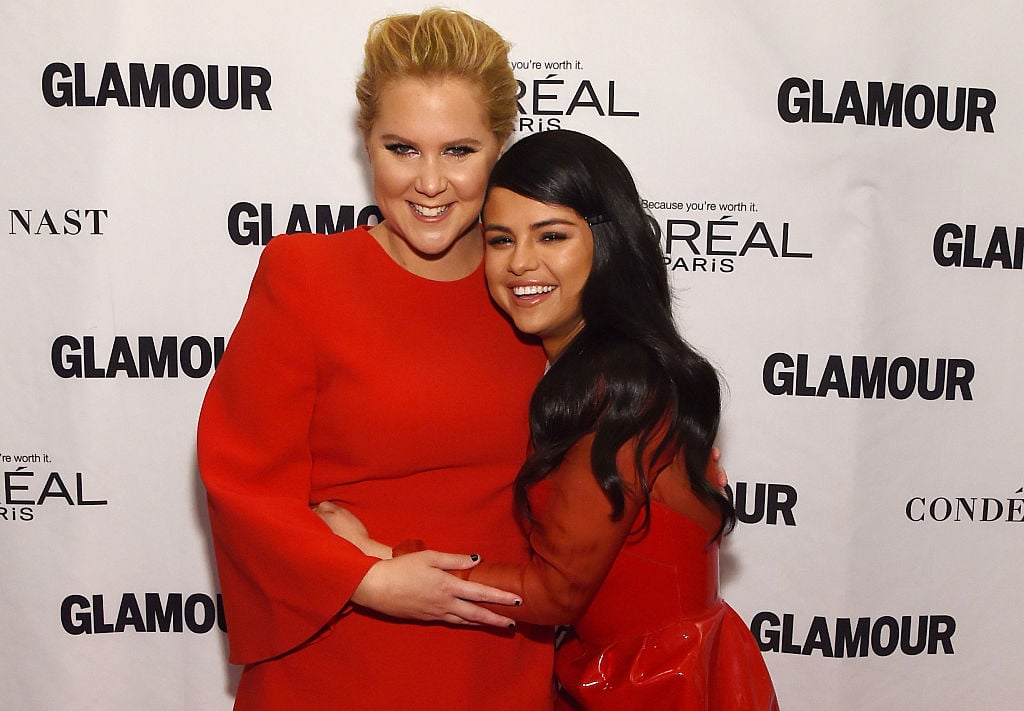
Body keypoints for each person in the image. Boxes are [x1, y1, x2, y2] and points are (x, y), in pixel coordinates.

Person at [319, 129, 780, 709]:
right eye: (501, 239)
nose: (520, 263)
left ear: (607, 242)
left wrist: (378, 560)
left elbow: (552, 592)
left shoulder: (621, 384)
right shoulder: (588, 366)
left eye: (552, 236)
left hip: (658, 685)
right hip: (626, 671)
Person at [197, 9, 555, 710]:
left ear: (500, 148)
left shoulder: (536, 287)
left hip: (494, 659)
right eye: (402, 148)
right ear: (366, 144)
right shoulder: (303, 274)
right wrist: (365, 577)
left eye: (458, 150)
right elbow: (241, 477)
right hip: (337, 654)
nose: (429, 182)